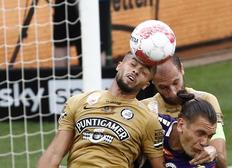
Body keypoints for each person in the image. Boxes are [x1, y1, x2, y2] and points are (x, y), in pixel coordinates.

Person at [37, 53, 165, 168]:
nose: (135, 71)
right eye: (132, 64)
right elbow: (53, 155)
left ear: (145, 85)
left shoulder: (149, 120)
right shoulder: (78, 102)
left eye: (143, 72)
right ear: (119, 66)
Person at [142, 55, 227, 167]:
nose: (172, 92)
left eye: (176, 82)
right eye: (164, 87)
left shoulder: (206, 100)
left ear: (182, 69)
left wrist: (214, 151)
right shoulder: (146, 108)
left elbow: (222, 159)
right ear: (152, 81)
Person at [160, 91, 218, 168]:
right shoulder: (157, 124)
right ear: (181, 125)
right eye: (200, 133)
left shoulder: (204, 161)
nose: (204, 143)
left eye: (209, 136)